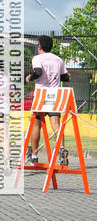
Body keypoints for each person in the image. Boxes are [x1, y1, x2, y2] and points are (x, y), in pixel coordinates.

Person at [25, 35, 70, 166]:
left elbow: (38, 72)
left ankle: (34, 155)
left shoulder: (37, 58)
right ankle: (61, 148)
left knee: (36, 125)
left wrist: (29, 78)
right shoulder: (58, 60)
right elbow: (65, 77)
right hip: (55, 94)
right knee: (56, 123)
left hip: (41, 94)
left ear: (39, 46)